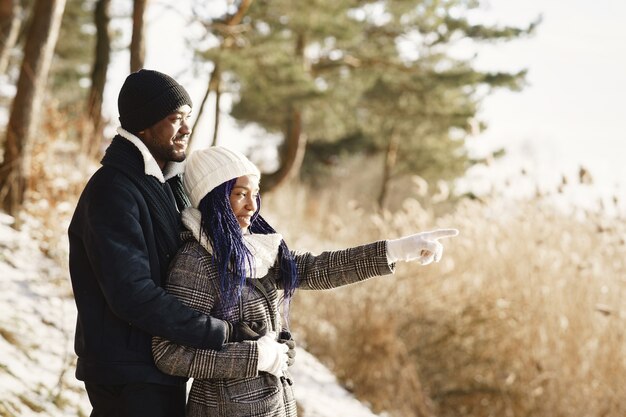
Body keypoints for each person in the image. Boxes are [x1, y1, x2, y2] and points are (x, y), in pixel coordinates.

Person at [152, 146, 459, 417]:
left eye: (254, 193)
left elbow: (320, 268)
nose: (252, 205)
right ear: (213, 197)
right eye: (239, 194)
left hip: (275, 406)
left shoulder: (258, 249)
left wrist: (397, 249)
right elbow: (170, 353)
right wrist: (255, 356)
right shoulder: (196, 261)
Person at [68, 70, 263, 417]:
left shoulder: (167, 185)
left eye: (187, 118)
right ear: (144, 124)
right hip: (126, 372)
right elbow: (133, 296)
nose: (186, 129)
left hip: (154, 368)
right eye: (175, 119)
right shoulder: (114, 191)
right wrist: (221, 331)